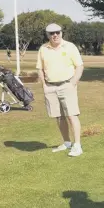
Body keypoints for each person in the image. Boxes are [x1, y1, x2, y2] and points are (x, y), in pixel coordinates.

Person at [36, 23, 84, 157]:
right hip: (50, 86)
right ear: (47, 35)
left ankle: (77, 145)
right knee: (58, 116)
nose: (55, 35)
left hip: (67, 85)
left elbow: (79, 66)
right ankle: (67, 142)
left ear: (61, 33)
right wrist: (44, 85)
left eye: (57, 32)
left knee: (71, 115)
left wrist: (73, 83)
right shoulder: (43, 49)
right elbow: (40, 68)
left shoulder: (70, 47)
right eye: (51, 33)